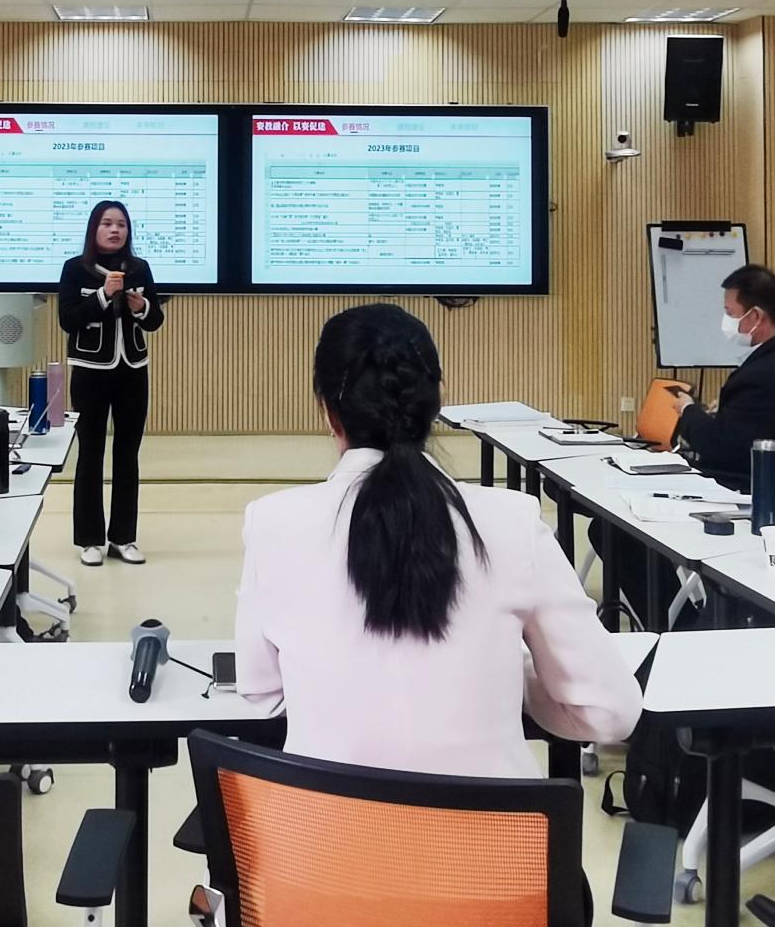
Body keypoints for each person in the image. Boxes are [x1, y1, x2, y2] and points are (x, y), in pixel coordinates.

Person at [236, 304, 641, 780]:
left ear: (328, 411)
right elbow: (609, 713)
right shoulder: (511, 520)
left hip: (329, 828)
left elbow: (262, 694)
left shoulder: (272, 522)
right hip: (492, 829)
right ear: (435, 403)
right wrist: (516, 677)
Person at [58, 200, 164, 567]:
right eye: (107, 223)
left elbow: (155, 320)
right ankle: (90, 539)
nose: (115, 230)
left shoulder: (140, 268)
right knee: (90, 453)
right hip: (90, 369)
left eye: (121, 224)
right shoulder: (75, 269)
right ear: (94, 229)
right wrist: (103, 295)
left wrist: (142, 308)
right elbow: (68, 320)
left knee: (127, 454)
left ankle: (123, 537)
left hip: (132, 368)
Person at [671, 265, 775, 486]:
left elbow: (721, 448)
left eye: (730, 313)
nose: (726, 321)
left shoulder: (762, 375)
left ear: (755, 316)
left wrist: (688, 410)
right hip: (766, 478)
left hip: (732, 485)